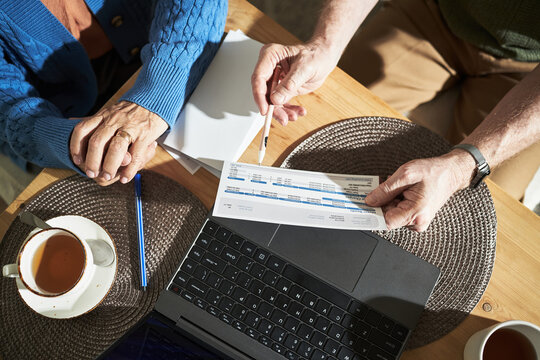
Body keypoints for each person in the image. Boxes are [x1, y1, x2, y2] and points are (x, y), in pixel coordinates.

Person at [251, 0, 540, 231]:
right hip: (436, 15)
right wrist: (325, 44)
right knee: (318, 115)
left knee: (489, 213)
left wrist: (461, 168)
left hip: (530, 74)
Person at [0, 0, 228, 204]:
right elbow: (9, 109)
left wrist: (156, 93)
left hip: (167, 47)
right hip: (58, 128)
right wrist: (76, 144)